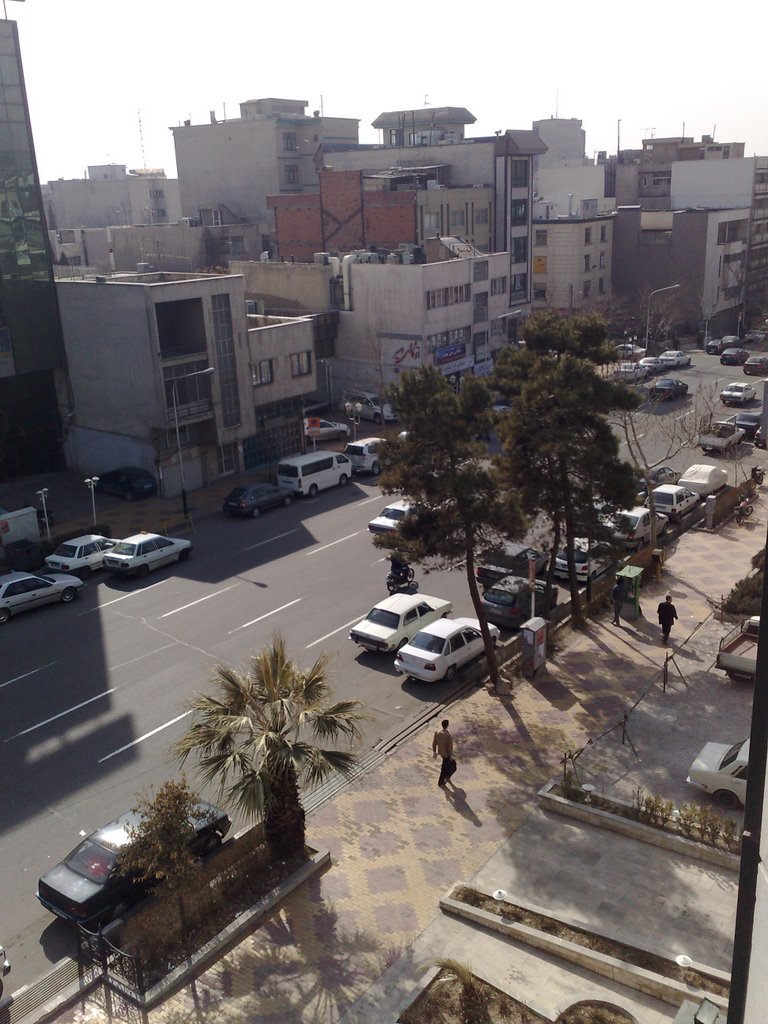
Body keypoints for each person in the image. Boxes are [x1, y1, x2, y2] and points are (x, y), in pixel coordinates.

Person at [432, 719, 455, 787]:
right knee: (449, 766)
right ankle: (441, 781)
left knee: (445, 766)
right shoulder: (448, 735)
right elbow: (450, 747)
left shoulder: (437, 732)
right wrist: (450, 756)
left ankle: (445, 777)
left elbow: (434, 743)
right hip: (446, 754)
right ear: (447, 725)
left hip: (440, 752)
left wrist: (434, 751)